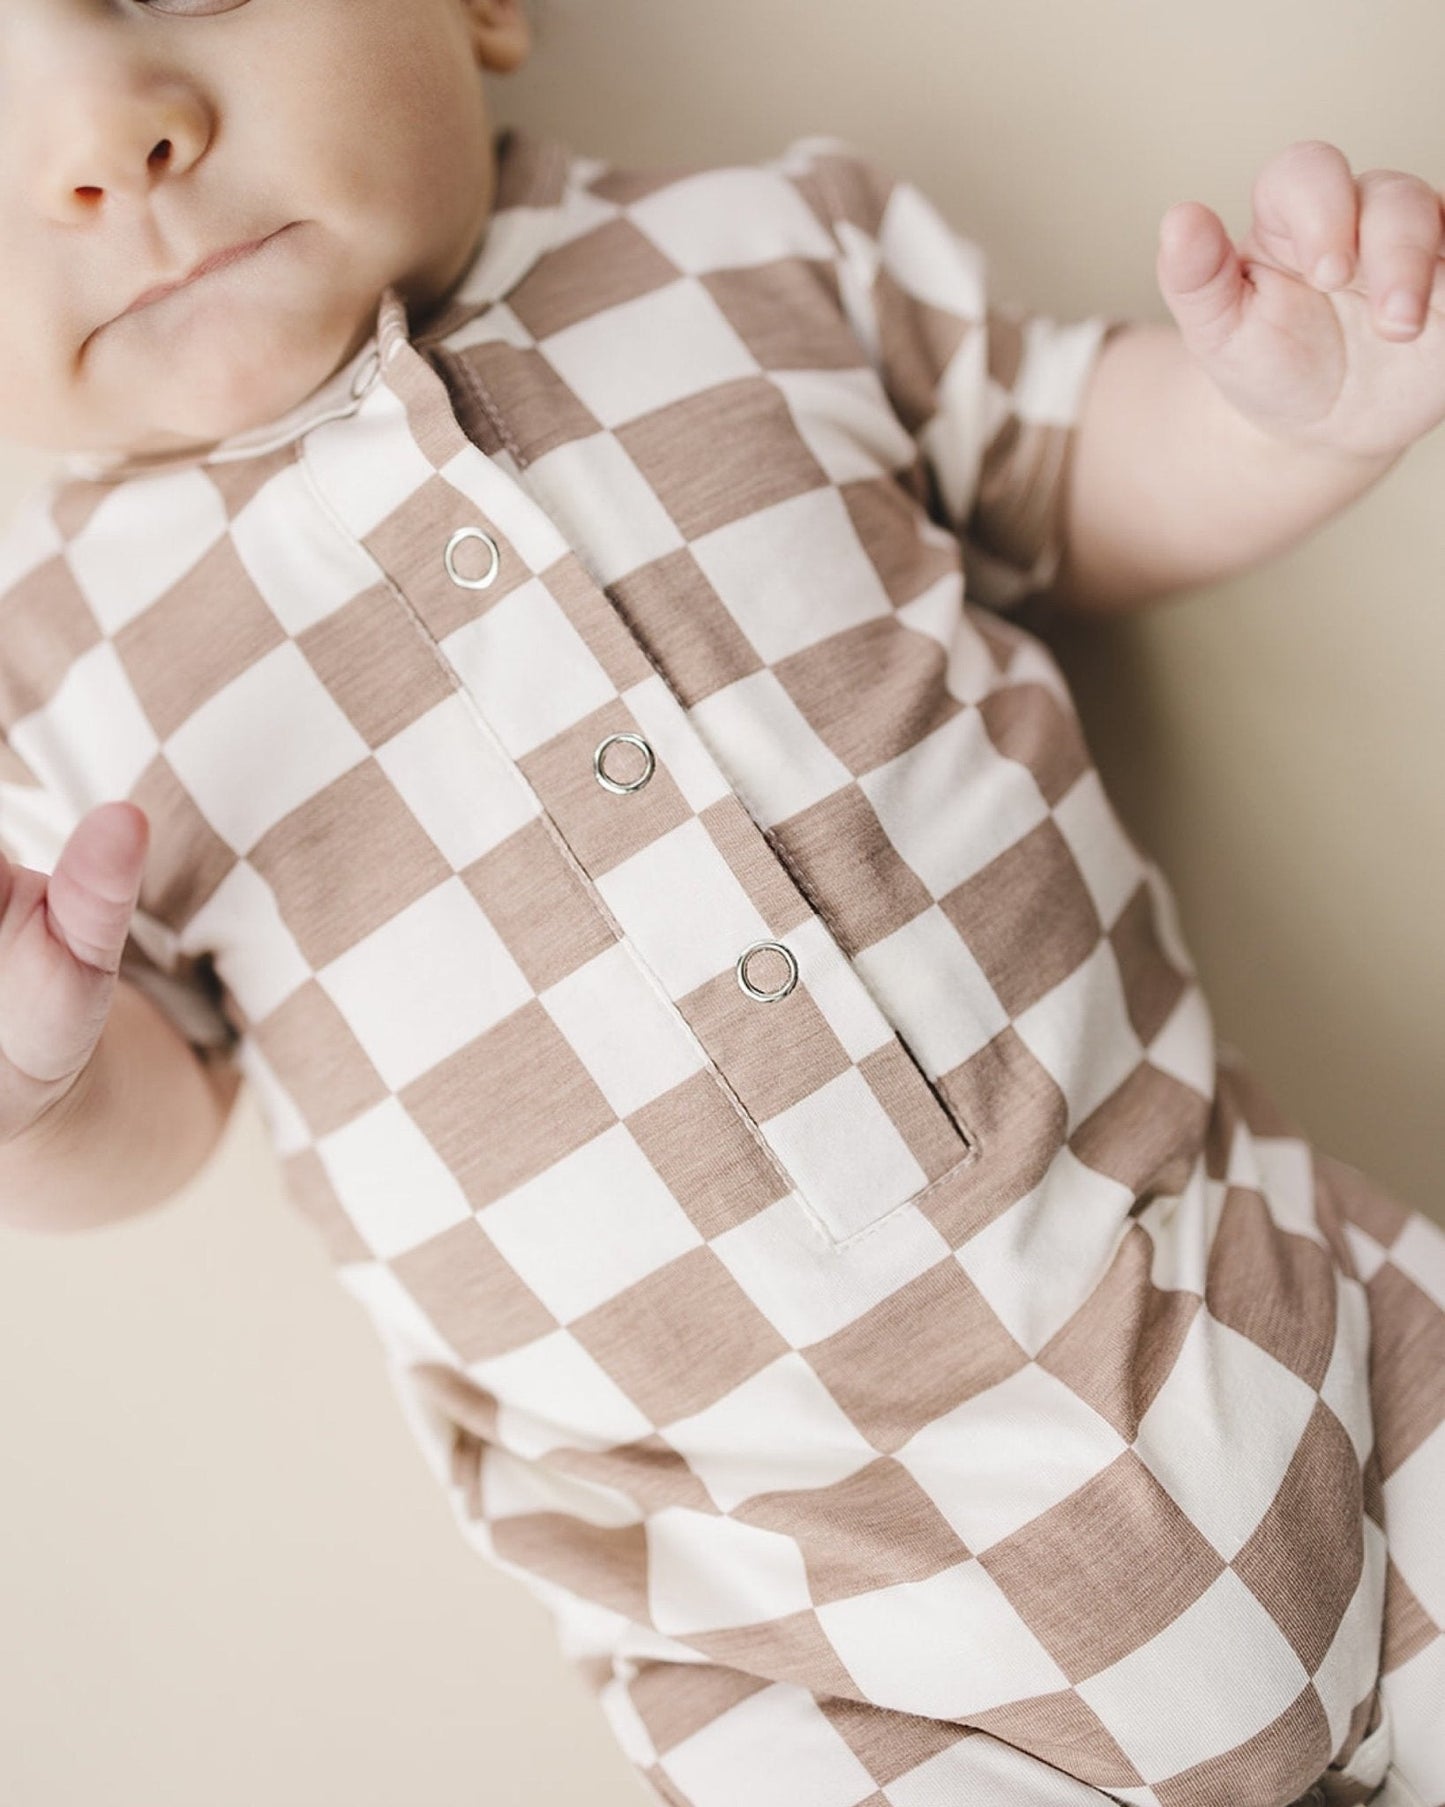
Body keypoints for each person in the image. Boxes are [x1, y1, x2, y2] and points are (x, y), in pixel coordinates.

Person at [0, 2, 1440, 1803]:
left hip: (1296, 1339)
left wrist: (1283, 421)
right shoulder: (49, 676)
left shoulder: (747, 250)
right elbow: (140, 1086)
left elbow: (1063, 459)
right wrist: (28, 1091)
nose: (106, 133)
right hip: (812, 1653)